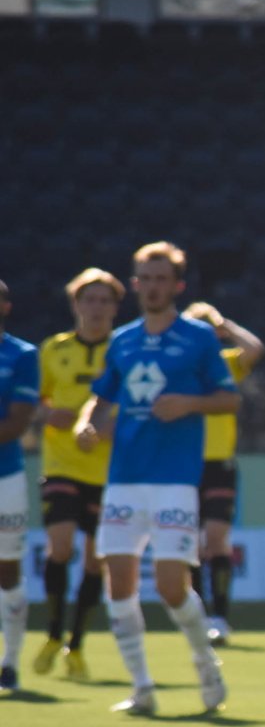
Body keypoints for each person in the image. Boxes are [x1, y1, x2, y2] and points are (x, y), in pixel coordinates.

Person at [74, 242, 240, 715]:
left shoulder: (198, 339)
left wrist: (189, 404)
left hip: (174, 479)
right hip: (124, 476)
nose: (152, 287)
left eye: (161, 279)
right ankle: (142, 687)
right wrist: (88, 422)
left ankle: (205, 664)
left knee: (171, 586)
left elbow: (228, 399)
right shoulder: (122, 340)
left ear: (178, 285)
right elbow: (101, 396)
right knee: (119, 584)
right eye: (145, 278)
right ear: (135, 284)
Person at [33, 268, 124, 681]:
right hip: (61, 464)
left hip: (107, 470)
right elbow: (32, 400)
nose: (97, 308)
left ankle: (76, 642)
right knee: (61, 547)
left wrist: (109, 428)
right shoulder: (54, 349)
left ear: (115, 307)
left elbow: (138, 405)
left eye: (105, 301)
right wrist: (47, 413)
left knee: (94, 561)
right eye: (90, 299)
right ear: (76, 304)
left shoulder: (125, 348)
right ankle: (52, 631)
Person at [183, 301, 265, 647]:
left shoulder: (225, 365)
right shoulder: (180, 369)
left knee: (216, 538)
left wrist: (226, 326)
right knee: (189, 547)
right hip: (183, 464)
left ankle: (219, 617)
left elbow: (255, 349)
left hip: (219, 464)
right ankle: (197, 616)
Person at [0, 279, 41, 694]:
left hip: (5, 476)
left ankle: (9, 660)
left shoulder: (22, 355)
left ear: (6, 306)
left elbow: (17, 423)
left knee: (6, 570)